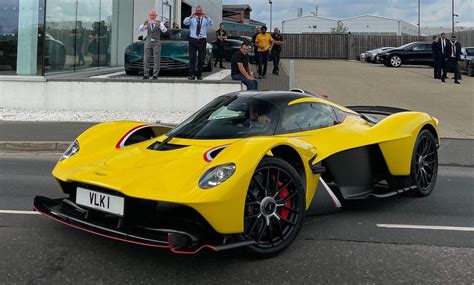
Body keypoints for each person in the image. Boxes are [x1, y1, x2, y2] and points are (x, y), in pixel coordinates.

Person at [183, 6, 213, 80]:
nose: (199, 12)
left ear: (202, 11)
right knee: (192, 57)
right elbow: (185, 22)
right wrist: (191, 16)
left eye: (200, 11)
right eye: (197, 10)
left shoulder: (205, 19)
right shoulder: (192, 19)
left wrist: (206, 16)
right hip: (193, 39)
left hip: (202, 39)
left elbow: (211, 23)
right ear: (195, 11)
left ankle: (199, 74)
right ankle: (191, 74)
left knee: (201, 58)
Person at [139, 9, 167, 79]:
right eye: (151, 15)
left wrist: (160, 25)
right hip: (148, 42)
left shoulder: (159, 22)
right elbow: (140, 30)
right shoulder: (147, 23)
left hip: (156, 42)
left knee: (156, 59)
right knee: (146, 58)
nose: (152, 17)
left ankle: (155, 75)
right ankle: (146, 74)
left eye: (153, 15)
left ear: (156, 16)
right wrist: (144, 24)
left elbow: (165, 30)